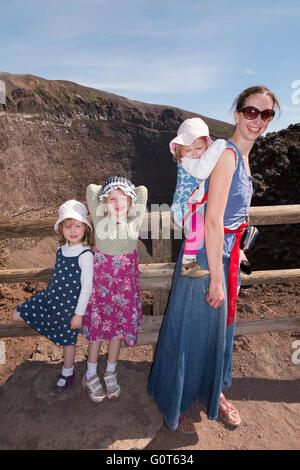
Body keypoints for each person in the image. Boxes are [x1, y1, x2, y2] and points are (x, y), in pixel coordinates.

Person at [148, 86, 280, 433]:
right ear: (237, 114)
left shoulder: (245, 155)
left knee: (217, 330)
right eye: (251, 112)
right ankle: (174, 402)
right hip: (207, 259)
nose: (258, 120)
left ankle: (212, 392)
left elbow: (234, 216)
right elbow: (211, 219)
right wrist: (217, 279)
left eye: (266, 114)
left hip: (227, 252)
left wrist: (239, 249)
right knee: (190, 329)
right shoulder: (228, 155)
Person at [11, 200, 94, 395]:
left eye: (77, 226)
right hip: (49, 298)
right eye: (68, 226)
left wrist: (79, 314)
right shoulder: (61, 249)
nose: (73, 231)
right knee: (17, 315)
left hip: (69, 307)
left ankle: (68, 373)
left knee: (68, 341)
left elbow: (87, 287)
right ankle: (52, 329)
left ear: (85, 228)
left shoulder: (85, 254)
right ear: (61, 230)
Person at [82, 176, 148, 402]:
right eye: (111, 199)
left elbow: (142, 190)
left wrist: (123, 192)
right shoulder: (100, 220)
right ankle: (90, 374)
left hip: (125, 293)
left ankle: (110, 371)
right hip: (101, 292)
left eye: (123, 199)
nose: (117, 203)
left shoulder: (134, 220)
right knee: (97, 334)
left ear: (131, 203)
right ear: (102, 203)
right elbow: (91, 189)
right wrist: (107, 194)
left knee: (117, 332)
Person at [170, 117, 226, 275]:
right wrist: (219, 145)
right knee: (198, 228)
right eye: (188, 150)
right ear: (180, 151)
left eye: (199, 148)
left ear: (207, 145)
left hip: (197, 205)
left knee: (203, 231)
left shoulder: (199, 157)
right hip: (187, 207)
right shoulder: (186, 162)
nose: (193, 154)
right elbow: (202, 171)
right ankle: (187, 265)